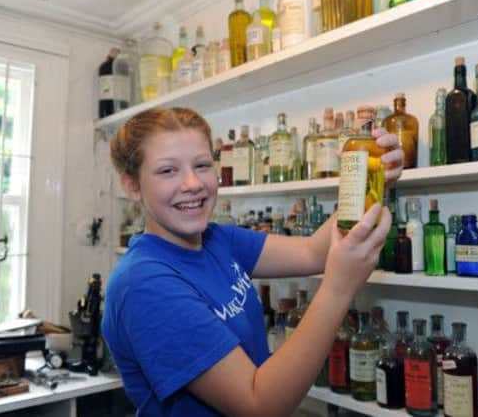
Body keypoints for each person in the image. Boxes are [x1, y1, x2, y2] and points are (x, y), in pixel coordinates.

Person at [102, 107, 403, 417]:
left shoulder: (217, 239)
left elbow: (312, 252)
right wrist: (339, 289)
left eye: (202, 165)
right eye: (168, 170)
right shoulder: (145, 285)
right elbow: (259, 406)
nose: (192, 183)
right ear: (132, 185)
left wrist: (370, 180)